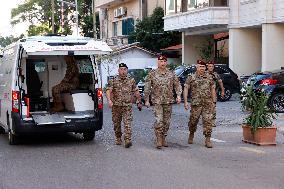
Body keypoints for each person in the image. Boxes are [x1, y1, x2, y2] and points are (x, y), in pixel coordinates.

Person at [144, 54, 182, 149]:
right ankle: (159, 139)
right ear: (158, 62)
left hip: (168, 101)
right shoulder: (152, 74)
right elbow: (147, 87)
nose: (163, 63)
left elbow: (177, 84)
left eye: (164, 61)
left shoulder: (171, 73)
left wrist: (178, 95)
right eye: (161, 61)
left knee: (167, 122)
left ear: (166, 62)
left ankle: (164, 136)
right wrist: (146, 100)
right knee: (159, 120)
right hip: (157, 101)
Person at [106, 63, 142, 148]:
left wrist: (139, 101)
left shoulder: (131, 80)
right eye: (121, 69)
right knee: (116, 124)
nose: (123, 71)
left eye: (125, 69)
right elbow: (108, 91)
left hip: (127, 106)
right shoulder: (113, 80)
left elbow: (136, 91)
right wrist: (109, 100)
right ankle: (118, 137)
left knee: (127, 123)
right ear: (118, 70)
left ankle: (127, 140)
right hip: (116, 106)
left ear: (127, 70)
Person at [183, 60, 216, 148]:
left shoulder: (209, 77)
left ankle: (207, 139)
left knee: (208, 121)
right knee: (193, 121)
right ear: (197, 67)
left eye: (203, 67)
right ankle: (191, 133)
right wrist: (186, 102)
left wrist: (214, 102)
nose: (202, 68)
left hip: (207, 103)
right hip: (196, 104)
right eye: (200, 67)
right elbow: (186, 88)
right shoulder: (191, 77)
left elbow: (213, 89)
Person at [206, 60, 225, 127]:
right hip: (205, 94)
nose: (211, 67)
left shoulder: (215, 74)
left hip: (213, 94)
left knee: (213, 108)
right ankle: (206, 121)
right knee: (206, 109)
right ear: (207, 67)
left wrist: (222, 91)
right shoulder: (204, 74)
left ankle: (212, 122)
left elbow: (220, 82)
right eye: (209, 66)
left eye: (212, 66)